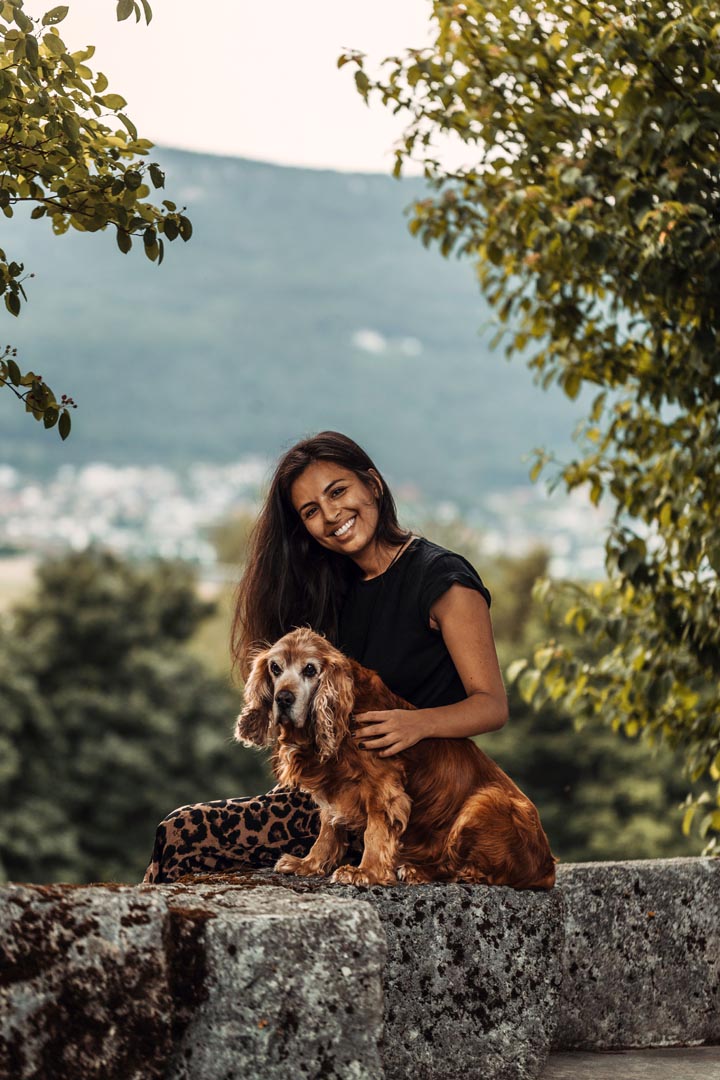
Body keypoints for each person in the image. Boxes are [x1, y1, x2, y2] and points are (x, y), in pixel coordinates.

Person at [143, 431, 508, 883]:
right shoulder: (333, 588)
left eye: (338, 491)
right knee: (179, 832)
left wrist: (418, 723)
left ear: (372, 485)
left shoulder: (443, 581)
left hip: (414, 799)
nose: (331, 515)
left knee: (188, 835)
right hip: (334, 790)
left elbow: (491, 705)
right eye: (311, 511)